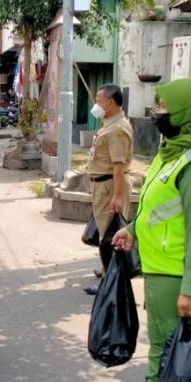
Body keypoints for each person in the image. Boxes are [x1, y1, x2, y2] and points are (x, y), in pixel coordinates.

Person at [112, 78, 191, 382]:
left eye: (164, 106)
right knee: (172, 358)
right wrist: (134, 230)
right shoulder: (171, 154)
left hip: (183, 274)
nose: (158, 112)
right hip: (167, 269)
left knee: (168, 359)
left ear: (187, 111)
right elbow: (162, 209)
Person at [83, 84, 134, 296]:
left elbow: (119, 166)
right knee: (107, 233)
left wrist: (117, 196)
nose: (96, 104)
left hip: (110, 187)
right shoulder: (109, 124)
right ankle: (107, 270)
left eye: (99, 100)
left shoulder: (117, 129)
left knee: (111, 235)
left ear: (111, 103)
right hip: (102, 185)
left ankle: (109, 281)